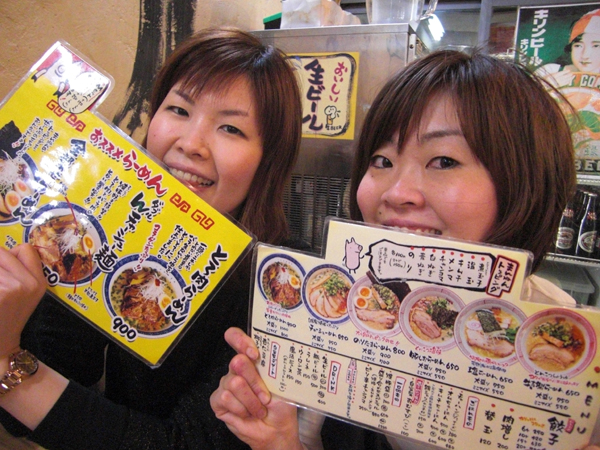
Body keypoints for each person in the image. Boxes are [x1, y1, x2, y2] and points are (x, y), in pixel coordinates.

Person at [210, 49, 600, 450]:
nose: (397, 193)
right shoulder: (345, 312)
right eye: (382, 160)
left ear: (524, 183)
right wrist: (278, 441)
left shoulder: (572, 354)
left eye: (444, 161)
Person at [0, 26, 303, 449]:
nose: (191, 144)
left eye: (231, 129)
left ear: (268, 161)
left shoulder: (280, 287)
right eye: (179, 109)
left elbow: (180, 443)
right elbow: (30, 412)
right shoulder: (91, 231)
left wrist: (6, 365)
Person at [538, 8, 600, 88]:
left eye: (596, 46)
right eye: (578, 46)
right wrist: (545, 85)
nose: (585, 55)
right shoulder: (550, 71)